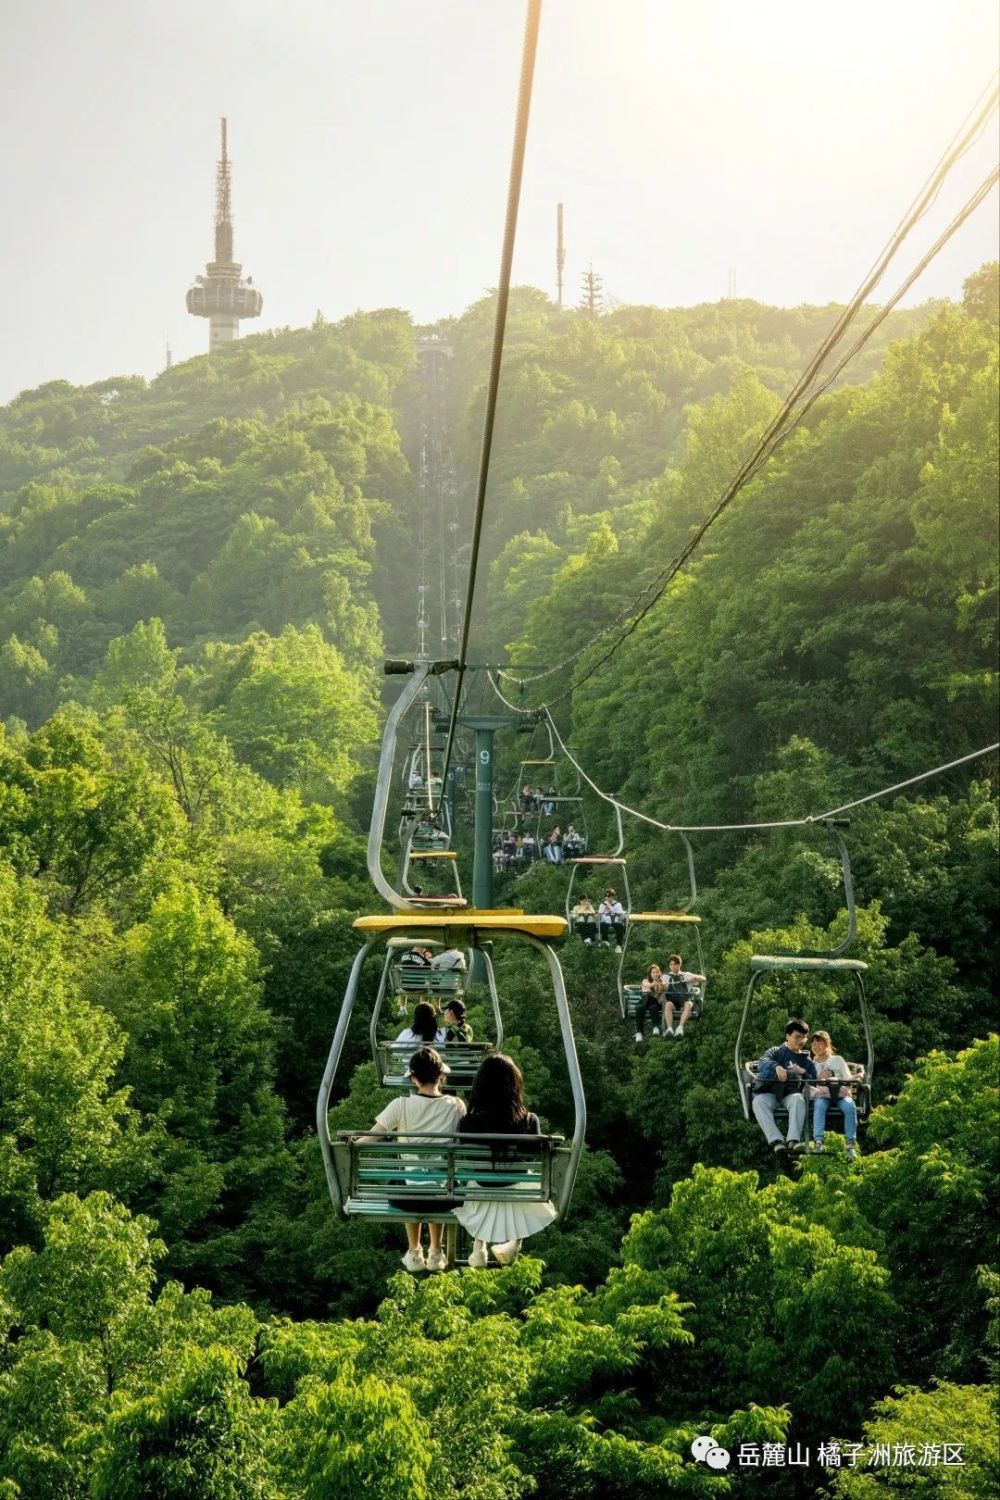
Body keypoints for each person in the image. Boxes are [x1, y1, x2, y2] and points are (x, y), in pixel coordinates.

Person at [362, 1046, 466, 1272]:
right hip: (445, 1197)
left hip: (406, 1197)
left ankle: (414, 1250)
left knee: (408, 1178)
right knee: (440, 1178)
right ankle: (436, 1250)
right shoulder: (456, 1106)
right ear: (441, 1075)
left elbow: (370, 1138)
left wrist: (346, 1146)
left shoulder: (401, 1105)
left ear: (413, 1078)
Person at [454, 1053, 556, 1267]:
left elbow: (465, 1155)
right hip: (516, 1185)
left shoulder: (467, 1122)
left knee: (475, 1182)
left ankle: (478, 1247)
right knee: (528, 1179)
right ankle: (514, 1244)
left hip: (481, 1185)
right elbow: (532, 1157)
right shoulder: (529, 1120)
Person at [752, 1019, 817, 1156]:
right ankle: (776, 1140)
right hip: (771, 1093)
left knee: (798, 1099)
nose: (800, 1041)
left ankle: (793, 1140)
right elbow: (763, 1062)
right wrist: (777, 1067)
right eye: (797, 1037)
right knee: (758, 1101)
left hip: (790, 1094)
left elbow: (814, 1081)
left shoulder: (806, 1061)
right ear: (787, 1036)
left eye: (804, 1037)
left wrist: (802, 1072)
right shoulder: (776, 1051)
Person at [809, 1030, 859, 1159]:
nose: (815, 1046)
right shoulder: (811, 1064)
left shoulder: (837, 1060)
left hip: (840, 1095)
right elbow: (809, 1084)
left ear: (827, 1044)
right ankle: (818, 1141)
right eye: (813, 1044)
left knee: (849, 1106)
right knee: (819, 1106)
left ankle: (850, 1144)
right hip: (823, 1096)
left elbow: (848, 1078)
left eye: (819, 1043)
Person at [662, 954, 707, 1038]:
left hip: (684, 1002)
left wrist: (693, 978)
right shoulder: (666, 977)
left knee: (689, 1004)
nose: (673, 967)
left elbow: (703, 978)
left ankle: (680, 1028)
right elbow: (659, 985)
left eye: (674, 964)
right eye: (671, 965)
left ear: (679, 965)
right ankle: (669, 1029)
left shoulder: (685, 975)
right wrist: (662, 985)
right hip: (673, 1002)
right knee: (667, 1004)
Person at [636, 964, 666, 1043]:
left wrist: (660, 986)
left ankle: (655, 1027)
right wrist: (654, 983)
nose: (655, 974)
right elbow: (647, 985)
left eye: (656, 972)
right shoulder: (645, 981)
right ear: (650, 974)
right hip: (645, 1001)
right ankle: (639, 1032)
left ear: (659, 973)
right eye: (653, 972)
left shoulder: (661, 982)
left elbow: (661, 995)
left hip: (654, 1002)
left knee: (653, 1007)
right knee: (639, 1008)